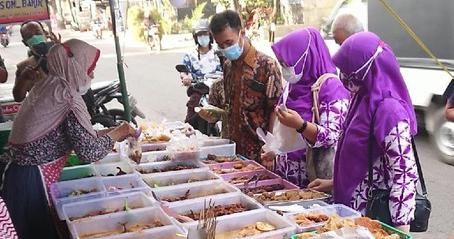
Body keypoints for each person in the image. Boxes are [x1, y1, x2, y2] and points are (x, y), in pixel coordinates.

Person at [0, 38, 137, 239]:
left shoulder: (50, 85)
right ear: (74, 66)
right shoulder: (66, 95)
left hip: (20, 172)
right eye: (89, 68)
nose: (91, 74)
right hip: (31, 180)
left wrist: (113, 131)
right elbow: (89, 151)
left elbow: (78, 136)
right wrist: (117, 133)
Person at [308, 32, 419, 232]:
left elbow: (404, 174)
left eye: (348, 71)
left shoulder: (389, 110)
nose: (343, 77)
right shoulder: (362, 100)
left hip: (370, 220)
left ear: (366, 70)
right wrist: (334, 183)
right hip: (350, 215)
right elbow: (360, 159)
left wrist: (400, 232)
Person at [270, 27, 350, 187]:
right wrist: (275, 152)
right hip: (287, 181)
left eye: (288, 62)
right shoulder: (291, 86)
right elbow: (288, 139)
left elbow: (332, 137)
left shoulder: (331, 87)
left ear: (307, 56)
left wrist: (301, 125)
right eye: (282, 63)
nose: (285, 67)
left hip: (314, 183)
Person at [201, 10, 282, 162]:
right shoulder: (227, 65)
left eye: (228, 43)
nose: (225, 48)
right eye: (220, 45)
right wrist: (212, 115)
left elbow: (274, 110)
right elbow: (229, 106)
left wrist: (270, 148)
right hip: (230, 149)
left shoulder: (267, 66)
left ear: (241, 33)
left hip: (257, 152)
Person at [180, 19, 222, 134]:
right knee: (191, 116)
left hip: (217, 90)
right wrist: (185, 77)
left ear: (210, 36)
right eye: (200, 35)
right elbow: (184, 70)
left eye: (205, 34)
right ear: (195, 37)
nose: (203, 37)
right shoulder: (190, 55)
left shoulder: (219, 53)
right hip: (198, 90)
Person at [14, 20, 48, 102]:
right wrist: (23, 79)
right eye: (29, 36)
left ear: (45, 34)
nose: (35, 37)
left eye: (38, 33)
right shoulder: (24, 67)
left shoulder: (65, 54)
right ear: (25, 42)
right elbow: (18, 98)